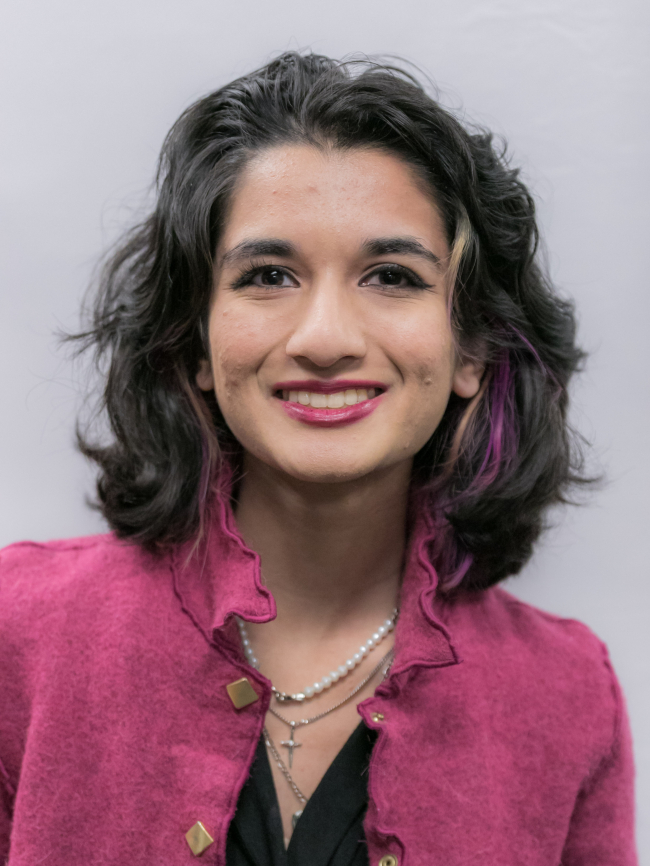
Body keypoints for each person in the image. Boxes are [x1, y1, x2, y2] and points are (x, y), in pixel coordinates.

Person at [0, 52, 637, 866]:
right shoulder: (19, 632)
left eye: (392, 276)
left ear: (472, 348)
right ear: (195, 340)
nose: (326, 340)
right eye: (268, 275)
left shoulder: (567, 693)